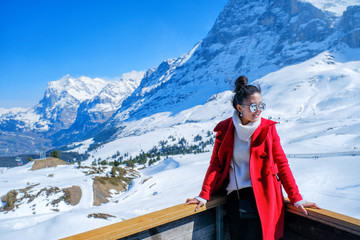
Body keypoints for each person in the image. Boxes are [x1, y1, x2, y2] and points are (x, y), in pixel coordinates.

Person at [185, 76, 320, 240]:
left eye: (261, 105)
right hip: (237, 199)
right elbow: (216, 164)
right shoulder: (225, 130)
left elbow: (282, 164)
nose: (258, 110)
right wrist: (204, 194)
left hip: (266, 197)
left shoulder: (268, 129)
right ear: (240, 107)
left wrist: (296, 198)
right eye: (253, 106)